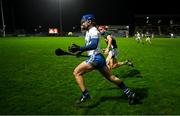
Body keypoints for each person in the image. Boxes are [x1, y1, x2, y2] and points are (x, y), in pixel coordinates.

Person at [68, 14, 136, 105]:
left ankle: (86, 95)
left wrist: (80, 48)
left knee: (76, 72)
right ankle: (129, 93)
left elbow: (94, 45)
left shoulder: (93, 31)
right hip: (98, 58)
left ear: (89, 21)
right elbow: (91, 47)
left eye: (84, 21)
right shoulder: (89, 31)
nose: (82, 23)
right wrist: (80, 52)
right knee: (112, 78)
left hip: (95, 58)